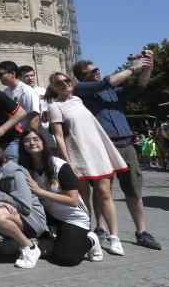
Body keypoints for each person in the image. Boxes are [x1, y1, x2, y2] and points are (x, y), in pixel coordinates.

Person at [72, 53, 162, 251]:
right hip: (103, 146)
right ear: (83, 76)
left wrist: (147, 67)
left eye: (98, 69)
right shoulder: (80, 89)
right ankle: (101, 229)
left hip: (126, 145)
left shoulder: (111, 92)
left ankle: (142, 232)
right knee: (102, 191)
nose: (98, 72)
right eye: (92, 71)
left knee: (133, 189)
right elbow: (105, 82)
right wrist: (133, 67)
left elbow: (140, 86)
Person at [47, 71, 129, 255]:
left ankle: (114, 237)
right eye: (59, 83)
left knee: (105, 193)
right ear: (53, 87)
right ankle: (87, 234)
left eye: (67, 81)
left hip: (97, 151)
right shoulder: (55, 106)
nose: (65, 84)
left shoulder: (78, 100)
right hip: (77, 154)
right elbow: (59, 137)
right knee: (83, 198)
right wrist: (68, 162)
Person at [18, 128, 103, 266]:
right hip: (50, 216)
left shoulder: (60, 166)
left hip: (73, 218)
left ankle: (91, 240)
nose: (32, 143)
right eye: (26, 141)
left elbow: (73, 201)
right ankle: (54, 238)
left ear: (43, 143)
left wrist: (39, 191)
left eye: (35, 139)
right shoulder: (25, 168)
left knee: (66, 258)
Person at [0, 135, 46, 269]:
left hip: (33, 218)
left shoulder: (13, 172)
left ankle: (30, 247)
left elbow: (25, 207)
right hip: (15, 213)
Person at [0, 61, 41, 135]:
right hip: (10, 134)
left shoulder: (26, 91)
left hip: (23, 135)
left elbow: (35, 116)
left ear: (13, 74)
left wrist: (30, 137)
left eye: (1, 74)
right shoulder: (6, 92)